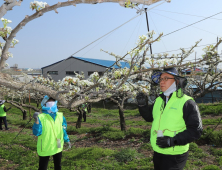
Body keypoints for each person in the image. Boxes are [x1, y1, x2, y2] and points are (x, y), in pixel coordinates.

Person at [136, 67, 203, 170]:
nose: (162, 82)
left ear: (176, 81)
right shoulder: (159, 100)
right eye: (161, 79)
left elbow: (196, 130)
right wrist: (142, 106)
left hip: (175, 154)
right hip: (158, 150)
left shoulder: (187, 102)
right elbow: (150, 117)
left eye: (166, 78)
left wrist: (173, 141)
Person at [32, 95, 71, 170]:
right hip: (45, 147)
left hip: (57, 146)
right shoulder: (41, 117)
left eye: (53, 101)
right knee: (42, 167)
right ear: (44, 103)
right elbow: (37, 133)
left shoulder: (60, 116)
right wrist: (36, 121)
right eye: (49, 102)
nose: (51, 103)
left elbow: (63, 129)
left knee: (58, 166)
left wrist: (67, 139)